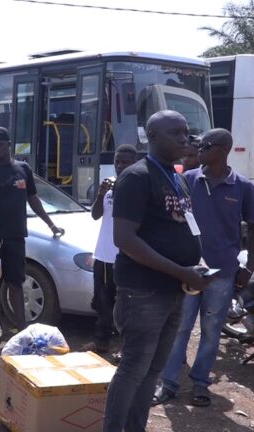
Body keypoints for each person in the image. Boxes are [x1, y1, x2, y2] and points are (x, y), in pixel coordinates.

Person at [103, 110, 210, 432]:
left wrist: (196, 267)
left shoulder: (176, 177)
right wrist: (181, 271)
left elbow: (179, 227)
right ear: (152, 137)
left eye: (186, 131)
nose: (184, 138)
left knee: (154, 370)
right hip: (143, 291)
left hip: (174, 289)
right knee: (134, 368)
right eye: (175, 132)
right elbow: (124, 239)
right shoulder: (137, 177)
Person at [154, 128, 254, 407]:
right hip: (187, 270)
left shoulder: (243, 187)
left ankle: (200, 383)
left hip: (222, 273)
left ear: (222, 150)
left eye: (205, 146)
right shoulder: (187, 180)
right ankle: (169, 383)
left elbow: (253, 227)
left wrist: (248, 269)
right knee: (180, 328)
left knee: (211, 332)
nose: (199, 151)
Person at [0, 126, 64, 340]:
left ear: (9, 144)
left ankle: (21, 329)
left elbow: (33, 199)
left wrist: (51, 225)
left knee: (16, 282)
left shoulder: (23, 170)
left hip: (16, 236)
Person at [83, 144, 138, 355]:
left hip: (127, 257)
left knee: (126, 307)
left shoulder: (138, 186)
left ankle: (126, 349)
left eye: (126, 162)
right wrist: (100, 194)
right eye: (117, 161)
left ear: (135, 163)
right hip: (104, 255)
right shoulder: (108, 186)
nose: (120, 166)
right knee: (102, 303)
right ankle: (101, 343)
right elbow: (96, 215)